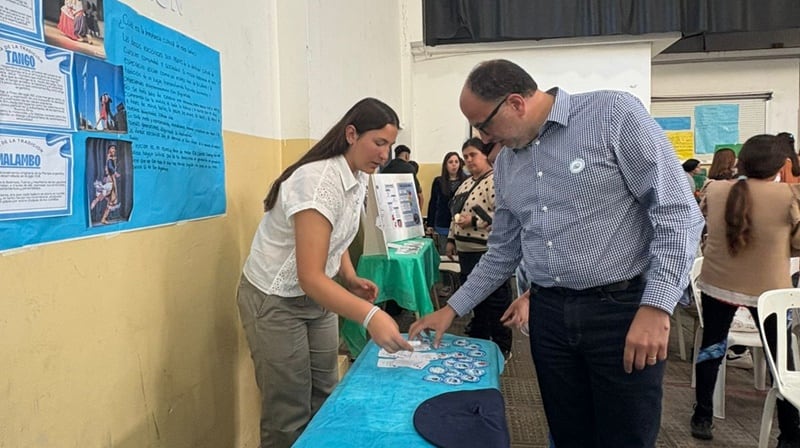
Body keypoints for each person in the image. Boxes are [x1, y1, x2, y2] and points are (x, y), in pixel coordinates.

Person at [409, 59, 704, 447]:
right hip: (550, 317)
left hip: (621, 312)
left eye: (484, 125)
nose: (482, 138)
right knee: (567, 434)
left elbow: (677, 212)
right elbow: (501, 253)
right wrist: (450, 309)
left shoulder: (611, 115)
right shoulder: (510, 166)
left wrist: (657, 306)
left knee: (625, 435)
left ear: (516, 103)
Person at [237, 98, 413, 448]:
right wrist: (371, 316)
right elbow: (310, 276)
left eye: (389, 146)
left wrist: (348, 276)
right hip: (275, 300)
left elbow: (335, 234)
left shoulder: (359, 175)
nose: (384, 154)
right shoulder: (317, 182)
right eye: (378, 142)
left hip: (314, 300)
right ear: (351, 134)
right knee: (288, 412)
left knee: (326, 396)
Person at [691, 134, 800, 446]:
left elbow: (703, 224)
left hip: (717, 284)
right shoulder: (788, 195)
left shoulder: (715, 189)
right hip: (770, 294)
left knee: (711, 349)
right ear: (783, 165)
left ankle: (703, 414)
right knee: (781, 361)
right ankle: (790, 433)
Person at [447, 137, 512, 358]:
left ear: (485, 155)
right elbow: (454, 215)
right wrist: (450, 240)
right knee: (476, 302)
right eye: (465, 156)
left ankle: (503, 347)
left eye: (473, 155)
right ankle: (481, 345)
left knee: (496, 303)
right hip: (465, 252)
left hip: (487, 252)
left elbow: (504, 217)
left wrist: (473, 221)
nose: (468, 160)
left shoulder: (494, 181)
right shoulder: (465, 184)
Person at [426, 151, 468, 253]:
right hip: (443, 223)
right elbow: (433, 203)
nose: (454, 164)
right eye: (450, 162)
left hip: (461, 224)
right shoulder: (438, 181)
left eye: (456, 162)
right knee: (444, 252)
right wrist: (430, 224)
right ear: (445, 165)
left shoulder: (467, 181)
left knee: (460, 254)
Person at [382, 144, 424, 209]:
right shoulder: (409, 168)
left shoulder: (386, 168)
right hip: (406, 205)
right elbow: (419, 194)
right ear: (407, 156)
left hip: (390, 205)